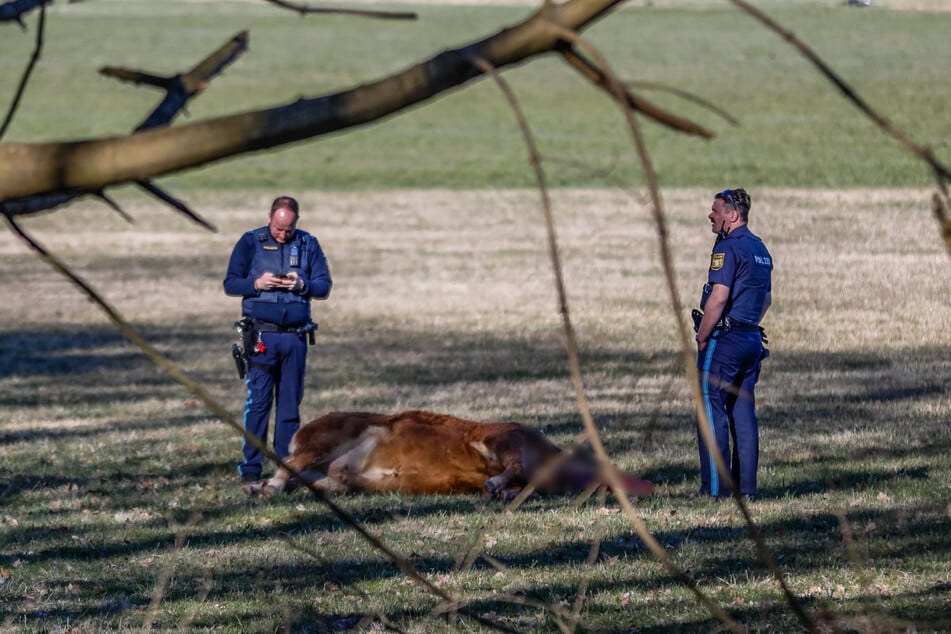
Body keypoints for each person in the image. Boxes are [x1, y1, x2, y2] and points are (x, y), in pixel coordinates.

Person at [223, 195, 333, 484]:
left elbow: (324, 287)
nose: (283, 235)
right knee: (258, 404)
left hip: (295, 339)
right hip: (261, 337)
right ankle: (251, 470)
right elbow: (231, 283)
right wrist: (256, 284)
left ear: (296, 221)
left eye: (288, 229)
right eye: (278, 228)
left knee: (289, 408)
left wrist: (302, 284)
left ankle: (286, 471)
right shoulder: (250, 241)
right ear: (270, 218)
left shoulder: (308, 244)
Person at [694, 188, 772, 501]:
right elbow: (766, 298)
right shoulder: (760, 248)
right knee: (743, 413)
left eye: (716, 211)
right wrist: (748, 322)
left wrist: (702, 335)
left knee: (709, 407)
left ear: (732, 215)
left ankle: (715, 489)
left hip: (724, 340)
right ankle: (747, 491)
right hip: (752, 338)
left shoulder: (729, 247)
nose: (710, 215)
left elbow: (718, 297)